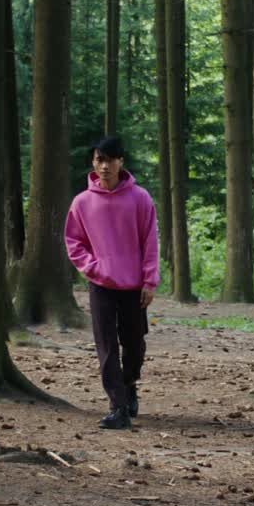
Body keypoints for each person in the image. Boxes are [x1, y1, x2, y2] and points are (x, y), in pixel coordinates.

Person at [64, 136, 159, 430]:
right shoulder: (82, 202)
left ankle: (129, 385)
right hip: (100, 284)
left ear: (121, 162)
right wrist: (94, 268)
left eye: (110, 160)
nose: (104, 166)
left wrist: (150, 281)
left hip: (133, 285)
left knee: (134, 344)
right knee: (106, 345)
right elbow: (74, 242)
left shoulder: (140, 198)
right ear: (93, 163)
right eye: (99, 160)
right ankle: (117, 406)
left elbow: (150, 241)